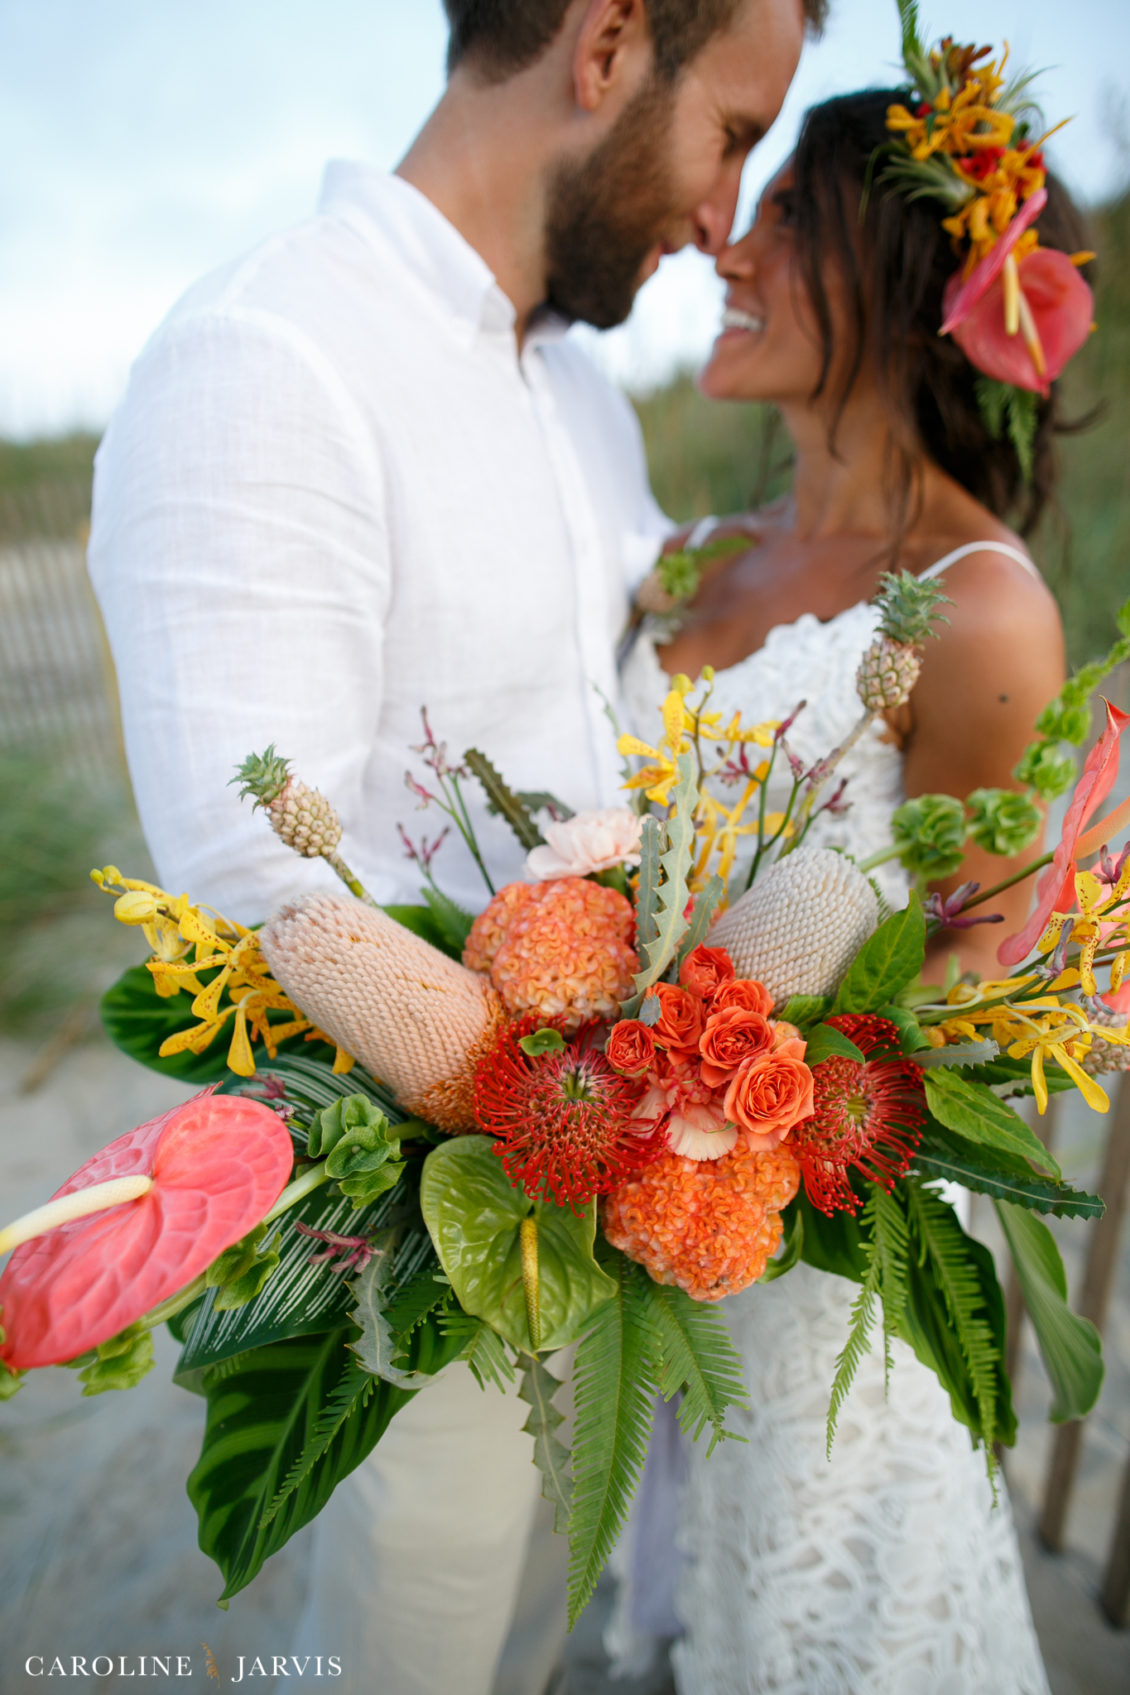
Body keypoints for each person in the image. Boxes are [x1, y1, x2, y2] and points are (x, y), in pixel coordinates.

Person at [87, 3, 821, 1692]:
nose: (723, 212)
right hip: (424, 1235)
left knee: (540, 1629)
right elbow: (259, 882)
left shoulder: (582, 395)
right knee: (415, 1645)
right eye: (730, 134)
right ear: (606, 44)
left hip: (604, 1194)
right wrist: (567, 1125)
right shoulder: (268, 356)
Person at [620, 74, 1093, 1695]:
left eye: (787, 218)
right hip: (627, 1222)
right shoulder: (694, 554)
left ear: (904, 285)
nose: (726, 250)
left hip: (817, 1253)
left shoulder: (978, 611)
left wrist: (712, 1117)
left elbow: (963, 1006)